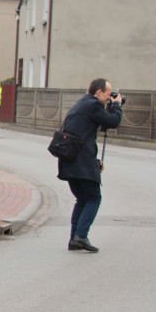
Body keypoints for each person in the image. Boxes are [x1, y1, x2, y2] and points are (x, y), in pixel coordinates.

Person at [57, 78, 123, 253]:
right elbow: (112, 121)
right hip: (80, 162)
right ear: (99, 92)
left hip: (70, 160)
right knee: (94, 198)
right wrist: (117, 105)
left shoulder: (82, 104)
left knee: (82, 198)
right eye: (108, 94)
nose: (109, 98)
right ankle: (81, 236)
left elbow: (86, 132)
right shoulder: (93, 105)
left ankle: (74, 237)